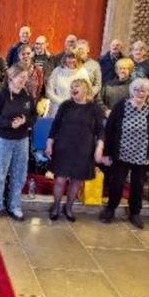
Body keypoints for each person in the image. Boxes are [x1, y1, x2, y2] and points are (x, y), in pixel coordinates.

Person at [97, 78, 149, 228]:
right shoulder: (121, 106)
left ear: (148, 92)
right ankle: (110, 209)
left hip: (143, 153)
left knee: (138, 185)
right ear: (131, 91)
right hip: (121, 152)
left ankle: (135, 213)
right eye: (136, 90)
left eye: (143, 90)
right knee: (117, 183)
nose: (139, 93)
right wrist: (106, 152)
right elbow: (109, 129)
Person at [45, 79, 105, 222]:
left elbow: (100, 130)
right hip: (63, 147)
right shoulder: (65, 105)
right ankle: (56, 206)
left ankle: (69, 207)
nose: (73, 88)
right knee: (59, 179)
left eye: (76, 86)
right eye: (72, 87)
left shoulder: (95, 108)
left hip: (84, 149)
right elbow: (55, 125)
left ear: (86, 89)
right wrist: (49, 144)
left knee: (76, 181)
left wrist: (100, 147)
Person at [0, 64, 37, 221]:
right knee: (0, 175)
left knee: (19, 175)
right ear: (11, 77)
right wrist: (9, 123)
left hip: (22, 140)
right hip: (3, 140)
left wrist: (25, 121)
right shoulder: (1, 95)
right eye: (21, 77)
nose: (24, 80)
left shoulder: (27, 95)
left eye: (25, 77)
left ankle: (14, 205)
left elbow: (34, 117)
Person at [45, 51, 89, 117]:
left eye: (73, 58)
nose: (71, 60)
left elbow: (87, 91)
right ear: (65, 58)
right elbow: (49, 91)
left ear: (78, 59)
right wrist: (62, 102)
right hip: (58, 107)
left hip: (77, 109)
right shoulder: (57, 71)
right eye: (69, 57)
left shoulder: (83, 72)